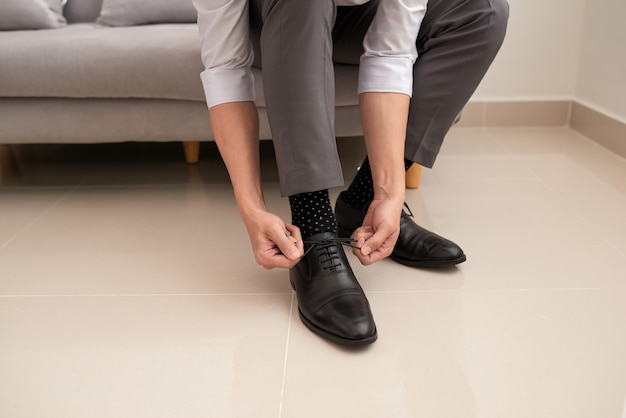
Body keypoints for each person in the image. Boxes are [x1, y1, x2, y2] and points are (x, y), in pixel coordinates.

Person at [192, 0, 509, 346]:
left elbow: (390, 53)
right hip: (274, 18)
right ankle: (314, 229)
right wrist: (250, 207)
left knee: (483, 11)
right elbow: (226, 68)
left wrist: (388, 191)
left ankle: (363, 201)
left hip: (347, 18)